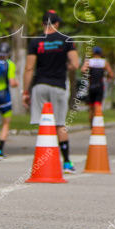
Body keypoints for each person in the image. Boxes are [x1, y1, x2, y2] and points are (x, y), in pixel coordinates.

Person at [27, 11, 81, 172]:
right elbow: (75, 64)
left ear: (43, 23)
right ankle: (67, 162)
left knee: (43, 125)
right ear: (56, 24)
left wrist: (25, 91)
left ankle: (44, 162)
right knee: (59, 125)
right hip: (58, 86)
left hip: (40, 86)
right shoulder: (66, 40)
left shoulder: (35, 42)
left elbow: (29, 68)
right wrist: (65, 66)